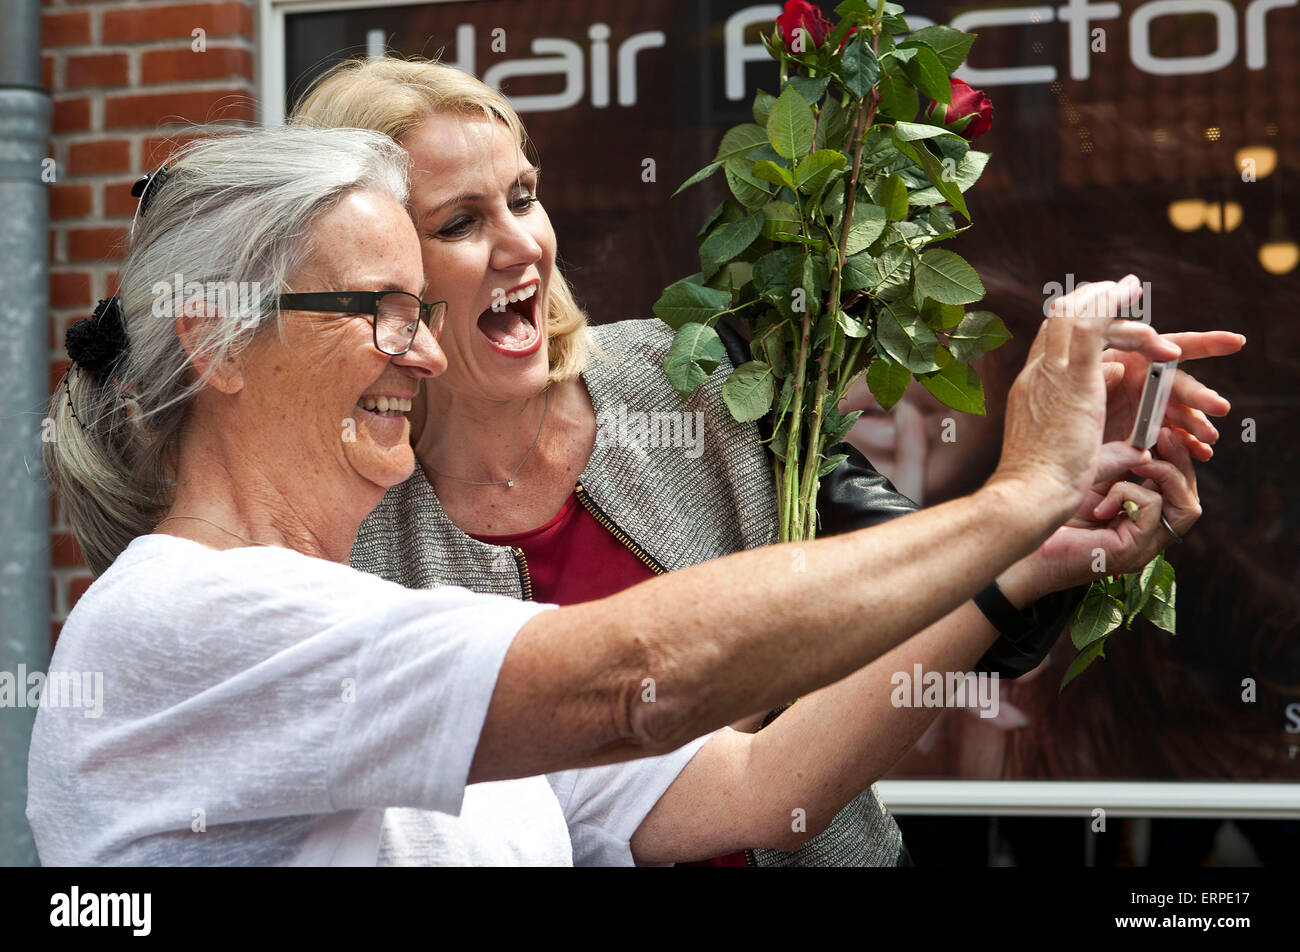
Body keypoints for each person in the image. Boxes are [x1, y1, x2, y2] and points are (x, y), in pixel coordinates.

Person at [27, 123, 1186, 867]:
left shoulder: (394, 630)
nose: (423, 355)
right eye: (378, 309)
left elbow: (753, 783)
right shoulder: (174, 617)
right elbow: (643, 677)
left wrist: (1032, 551)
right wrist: (1016, 488)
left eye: (419, 314)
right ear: (219, 343)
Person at [290, 58, 1228, 865]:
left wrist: (1061, 515)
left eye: (524, 198)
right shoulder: (344, 517)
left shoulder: (688, 370)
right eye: (460, 223)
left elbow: (919, 577)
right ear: (377, 269)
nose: (522, 244)